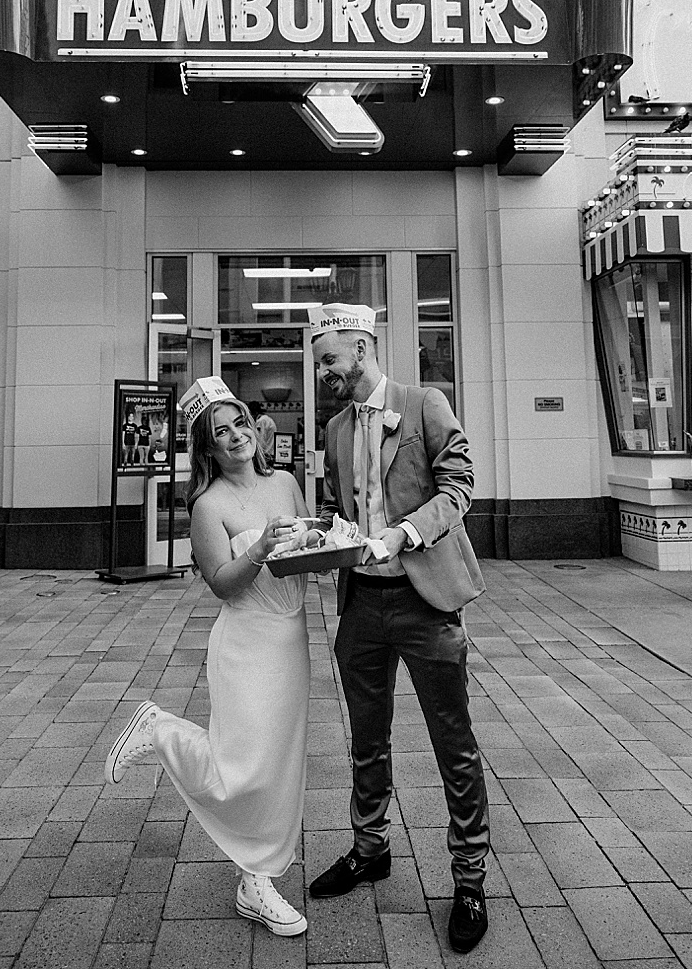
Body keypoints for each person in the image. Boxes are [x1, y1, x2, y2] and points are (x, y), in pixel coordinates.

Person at [306, 303, 490, 955]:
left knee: (453, 745)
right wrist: (325, 541)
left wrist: (403, 533)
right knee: (365, 738)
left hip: (427, 604)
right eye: (316, 360)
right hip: (361, 607)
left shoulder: (423, 403)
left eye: (329, 358)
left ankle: (468, 879)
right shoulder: (332, 429)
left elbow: (459, 486)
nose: (321, 371)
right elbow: (344, 510)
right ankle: (368, 848)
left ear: (362, 346)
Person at [104, 377, 314, 938]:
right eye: (220, 433)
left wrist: (326, 545)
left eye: (240, 423)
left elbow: (308, 546)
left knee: (279, 765)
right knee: (240, 766)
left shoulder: (288, 482)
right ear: (208, 448)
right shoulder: (208, 504)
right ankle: (160, 730)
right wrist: (263, 548)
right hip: (246, 642)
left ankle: (256, 880)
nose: (236, 436)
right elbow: (221, 584)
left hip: (291, 636)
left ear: (253, 427)